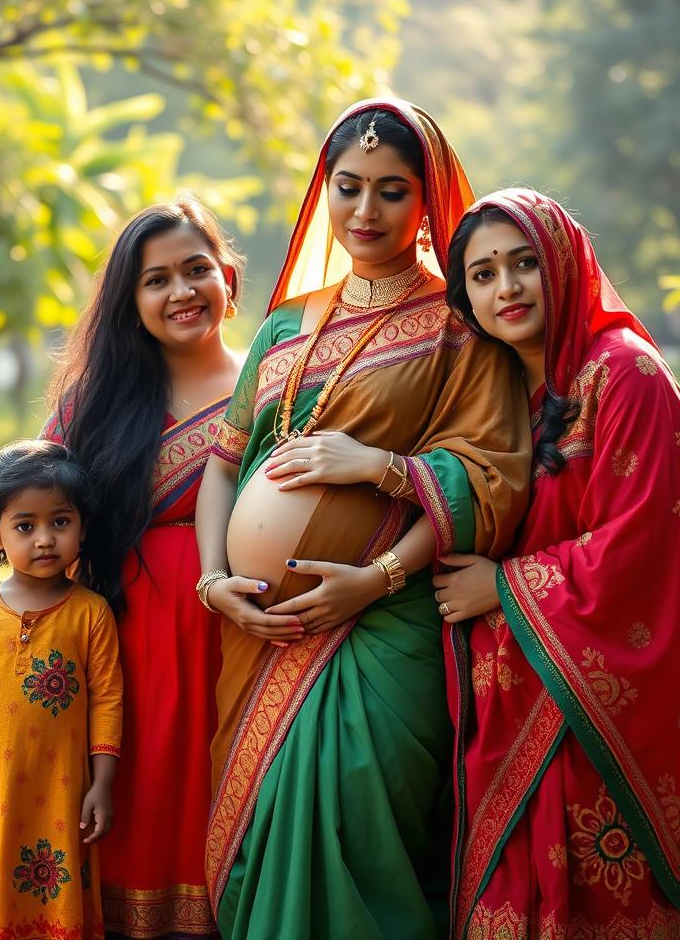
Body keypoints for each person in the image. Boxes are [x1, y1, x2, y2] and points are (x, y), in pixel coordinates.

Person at [194, 98, 532, 940]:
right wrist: (213, 583)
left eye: (391, 190)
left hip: (387, 624)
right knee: (262, 829)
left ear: (427, 203)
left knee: (357, 817)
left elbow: (487, 478)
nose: (366, 211)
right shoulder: (284, 325)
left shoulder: (460, 326)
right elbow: (224, 465)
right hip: (261, 630)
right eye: (349, 187)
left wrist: (375, 572)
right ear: (324, 193)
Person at [438, 189, 680, 939]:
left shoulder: (627, 376)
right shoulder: (497, 392)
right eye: (484, 274)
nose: (508, 288)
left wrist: (501, 585)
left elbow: (648, 548)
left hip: (596, 707)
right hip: (514, 698)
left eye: (524, 263)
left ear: (564, 262)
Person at [42, 199, 244, 939]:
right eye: (156, 280)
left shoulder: (276, 385)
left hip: (243, 649)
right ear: (132, 303)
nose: (182, 291)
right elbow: (36, 521)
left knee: (228, 821)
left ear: (229, 277)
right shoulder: (94, 404)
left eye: (197, 270)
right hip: (120, 652)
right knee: (134, 816)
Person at [0, 439, 122, 940]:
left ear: (83, 525)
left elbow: (108, 700)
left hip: (58, 792)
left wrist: (102, 783)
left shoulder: (90, 613)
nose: (45, 540)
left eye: (60, 521)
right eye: (25, 526)